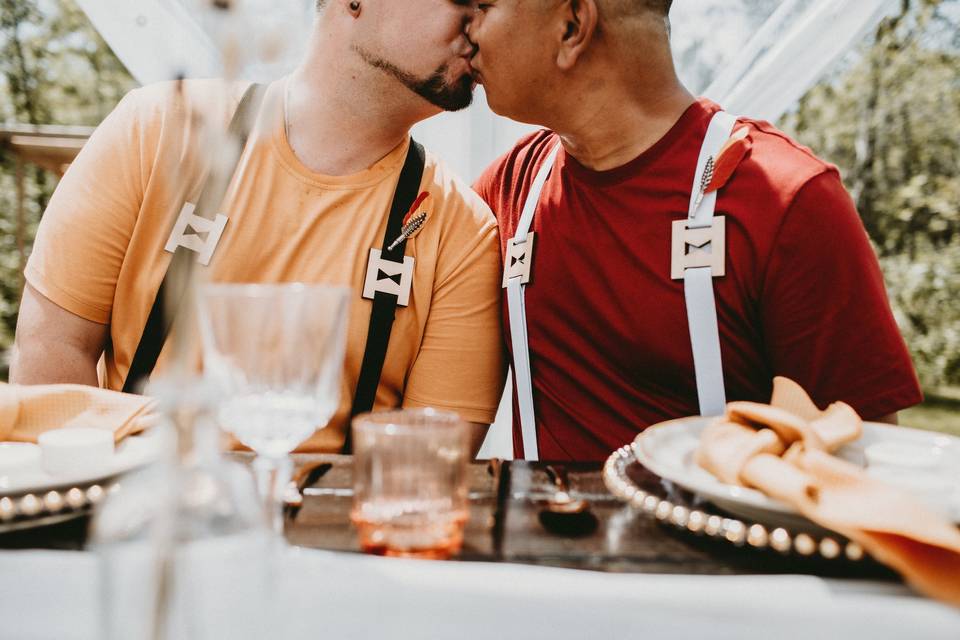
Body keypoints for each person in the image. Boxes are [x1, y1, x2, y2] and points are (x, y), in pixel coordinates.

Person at [11, 0, 505, 454]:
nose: (481, 26)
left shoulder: (464, 232)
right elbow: (52, 360)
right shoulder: (157, 128)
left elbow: (427, 464)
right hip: (145, 517)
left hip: (328, 541)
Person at [466, 0, 922, 461]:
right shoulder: (506, 190)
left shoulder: (789, 201)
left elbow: (862, 464)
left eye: (484, 5)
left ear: (571, 27)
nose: (469, 27)